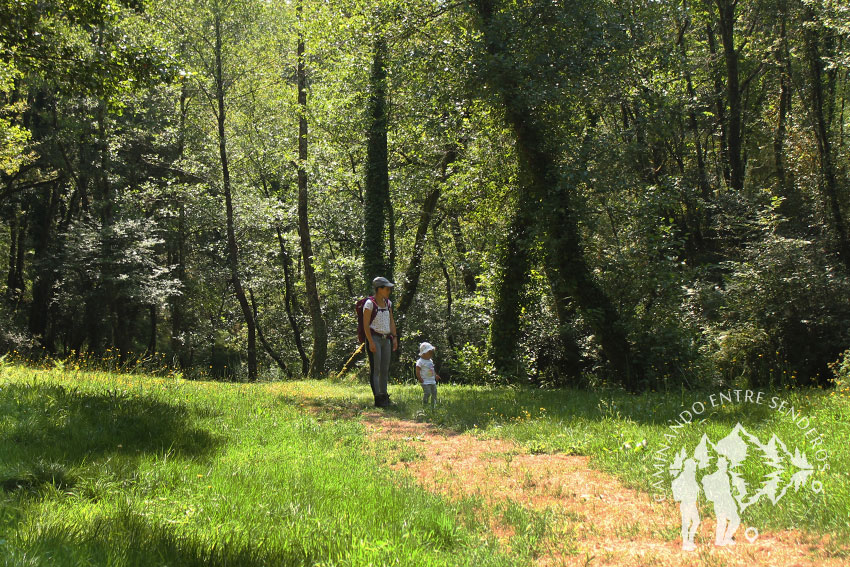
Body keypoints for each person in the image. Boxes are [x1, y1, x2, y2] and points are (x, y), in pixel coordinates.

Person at [363, 276, 397, 407]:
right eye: (386, 288)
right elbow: (366, 325)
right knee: (376, 369)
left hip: (386, 339)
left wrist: (394, 337)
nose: (389, 291)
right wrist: (370, 341)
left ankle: (384, 395)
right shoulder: (369, 304)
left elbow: (391, 321)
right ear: (379, 289)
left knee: (385, 369)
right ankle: (378, 398)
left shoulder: (388, 304)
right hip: (374, 338)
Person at [416, 342, 440, 406]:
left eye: (432, 352)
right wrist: (419, 378)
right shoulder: (420, 362)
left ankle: (433, 405)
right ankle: (425, 404)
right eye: (429, 352)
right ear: (423, 353)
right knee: (427, 393)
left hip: (432, 380)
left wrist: (435, 375)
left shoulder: (430, 361)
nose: (431, 354)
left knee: (434, 392)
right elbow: (417, 371)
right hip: (425, 381)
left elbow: (432, 369)